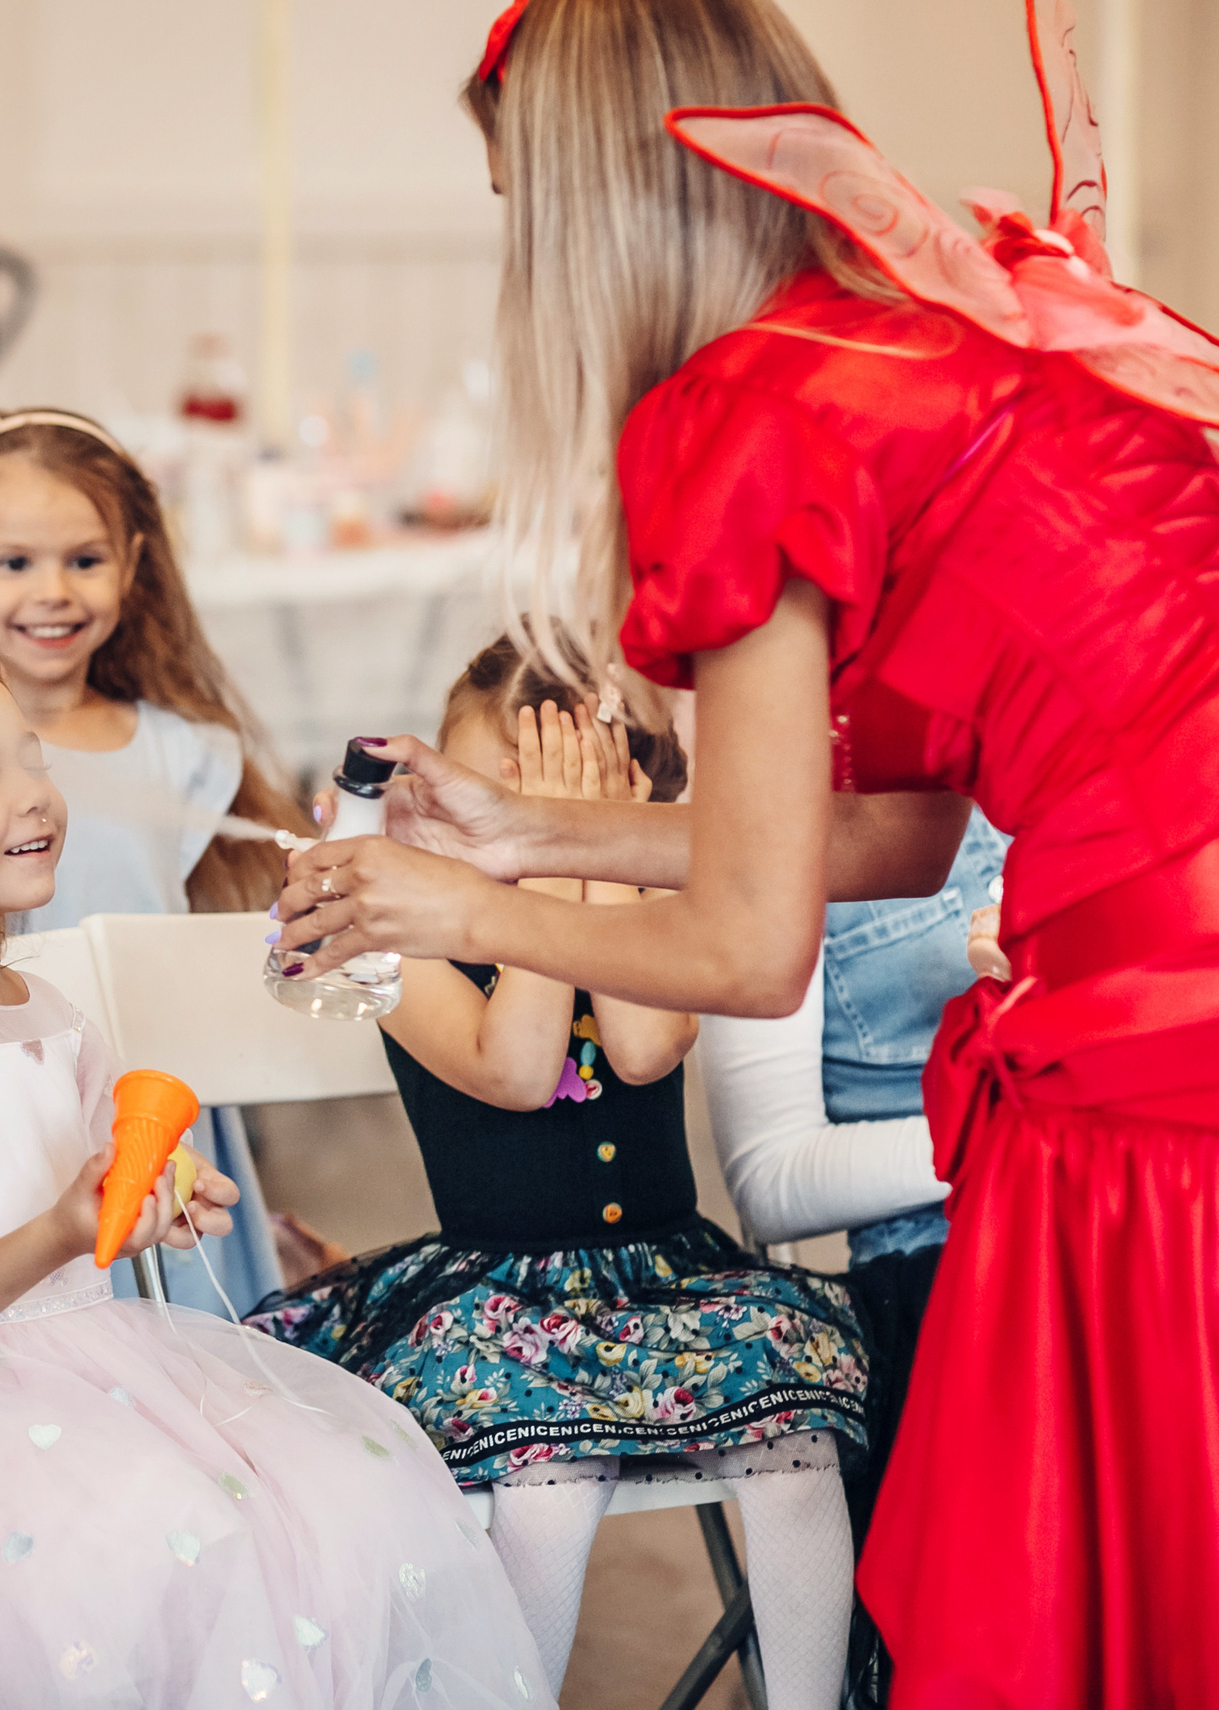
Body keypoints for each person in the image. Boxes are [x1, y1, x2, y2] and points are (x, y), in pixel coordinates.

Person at [266, 1, 1219, 1702]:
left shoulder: (749, 413)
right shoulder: (928, 334)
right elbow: (908, 831)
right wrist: (538, 825)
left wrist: (461, 902)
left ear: (583, 202)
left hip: (1171, 993)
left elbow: (747, 948)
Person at [0, 621, 552, 1710]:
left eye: (30, 756)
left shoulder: (51, 1012)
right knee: (171, 1538)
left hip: (104, 1363)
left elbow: (100, 1189)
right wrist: (55, 1233)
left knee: (337, 1486)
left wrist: (155, 1202)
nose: (33, 791)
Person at [248, 643, 864, 1707]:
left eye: (570, 797)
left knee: (795, 1450)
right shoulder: (403, 942)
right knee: (547, 1484)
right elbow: (517, 1071)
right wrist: (539, 876)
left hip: (667, 1283)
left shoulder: (648, 905)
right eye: (505, 799)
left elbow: (639, 1048)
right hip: (503, 1298)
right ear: (432, 809)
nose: (527, 827)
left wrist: (596, 866)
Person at [0, 407, 308, 1315]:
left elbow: (247, 924)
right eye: (15, 562)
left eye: (84, 559)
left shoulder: (181, 752)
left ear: (133, 564)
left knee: (184, 1345)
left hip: (155, 1109)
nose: (54, 592)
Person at [697, 812, 1007, 1704]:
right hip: (945, 1256)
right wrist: (1002, 1138)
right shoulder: (794, 822)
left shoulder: (1120, 767)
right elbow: (772, 1178)